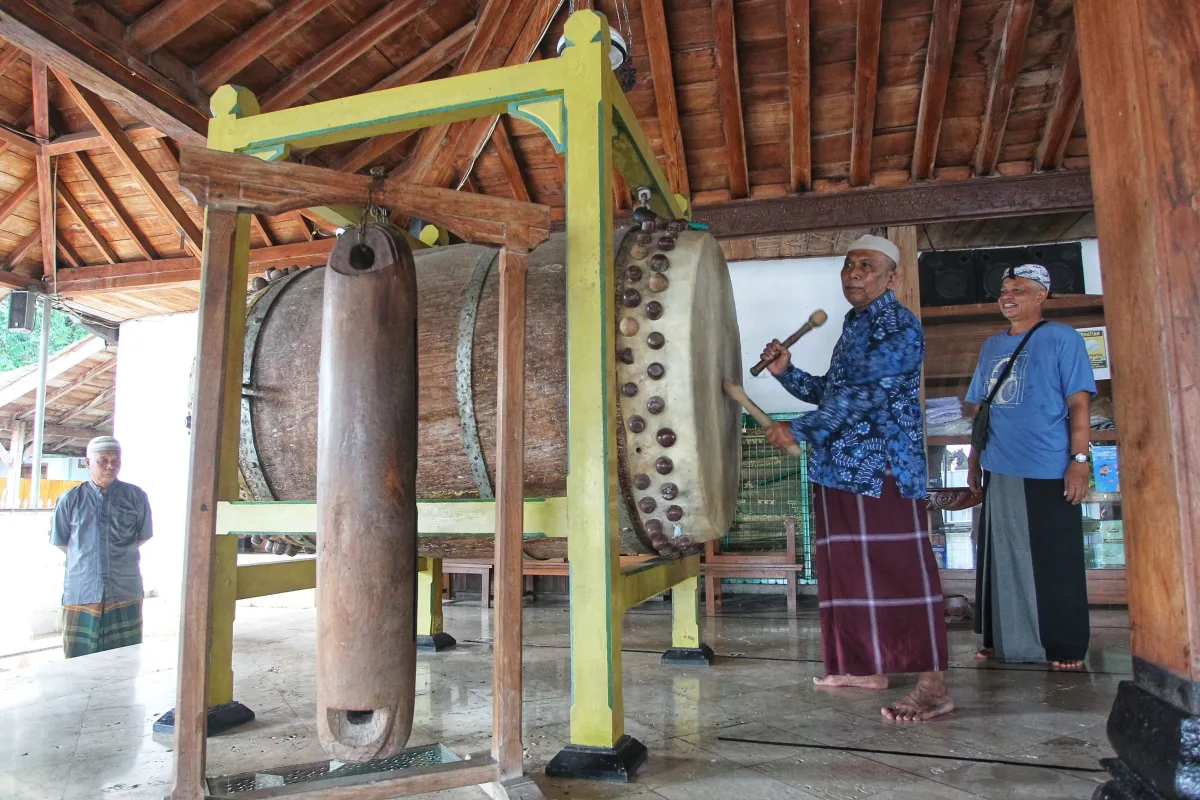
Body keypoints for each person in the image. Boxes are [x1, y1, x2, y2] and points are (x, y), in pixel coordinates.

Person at [759, 234, 952, 723]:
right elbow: (834, 391)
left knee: (900, 570)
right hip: (839, 463)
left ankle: (933, 685)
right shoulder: (856, 322)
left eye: (866, 266)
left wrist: (798, 428)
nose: (852, 274)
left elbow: (868, 398)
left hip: (881, 465)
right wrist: (788, 373)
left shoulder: (899, 326)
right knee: (846, 570)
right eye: (848, 265)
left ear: (893, 276)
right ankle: (866, 666)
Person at [966, 264, 1095, 670]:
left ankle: (1064, 645)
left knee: (1055, 561)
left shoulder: (1062, 338)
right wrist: (974, 459)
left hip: (1047, 465)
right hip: (999, 464)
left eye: (1019, 289)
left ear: (1041, 295)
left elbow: (1079, 404)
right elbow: (981, 409)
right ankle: (1000, 640)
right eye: (1005, 289)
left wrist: (1079, 461)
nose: (1008, 296)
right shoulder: (990, 346)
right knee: (998, 556)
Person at [51, 436, 153, 658]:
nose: (110, 465)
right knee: (80, 657)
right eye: (103, 460)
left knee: (125, 657)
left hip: (124, 586)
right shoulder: (70, 499)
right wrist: (89, 558)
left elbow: (143, 535)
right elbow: (61, 540)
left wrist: (117, 554)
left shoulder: (136, 497)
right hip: (83, 588)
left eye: (116, 460)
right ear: (88, 463)